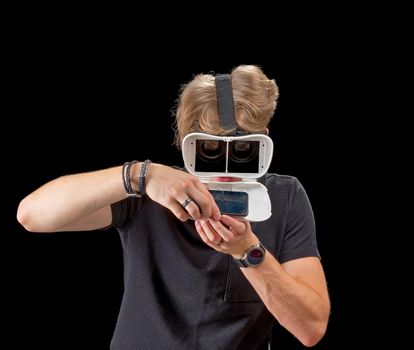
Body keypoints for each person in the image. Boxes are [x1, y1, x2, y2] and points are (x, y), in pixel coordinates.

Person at [17, 65, 330, 349]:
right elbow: (32, 215)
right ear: (185, 143)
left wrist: (248, 251)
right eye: (209, 148)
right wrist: (140, 175)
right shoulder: (151, 190)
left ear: (264, 141)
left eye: (243, 149)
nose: (224, 169)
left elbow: (310, 327)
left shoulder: (284, 196)